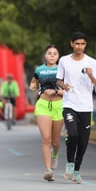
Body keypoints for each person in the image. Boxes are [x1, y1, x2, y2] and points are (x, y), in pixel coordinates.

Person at [56, 31, 96, 184]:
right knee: (73, 134)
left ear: (85, 45)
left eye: (82, 44)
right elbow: (58, 80)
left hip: (86, 106)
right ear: (71, 44)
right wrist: (64, 85)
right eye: (77, 44)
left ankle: (77, 170)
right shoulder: (64, 60)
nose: (79, 46)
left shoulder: (92, 62)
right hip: (69, 103)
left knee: (83, 141)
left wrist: (91, 76)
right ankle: (70, 163)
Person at [29, 45, 64, 182]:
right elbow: (34, 82)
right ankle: (48, 170)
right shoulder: (40, 70)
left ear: (58, 56)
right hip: (43, 104)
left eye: (55, 53)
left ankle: (55, 155)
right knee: (46, 138)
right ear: (45, 55)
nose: (52, 56)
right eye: (49, 53)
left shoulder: (63, 70)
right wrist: (32, 86)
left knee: (55, 141)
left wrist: (55, 92)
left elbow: (69, 90)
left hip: (58, 105)